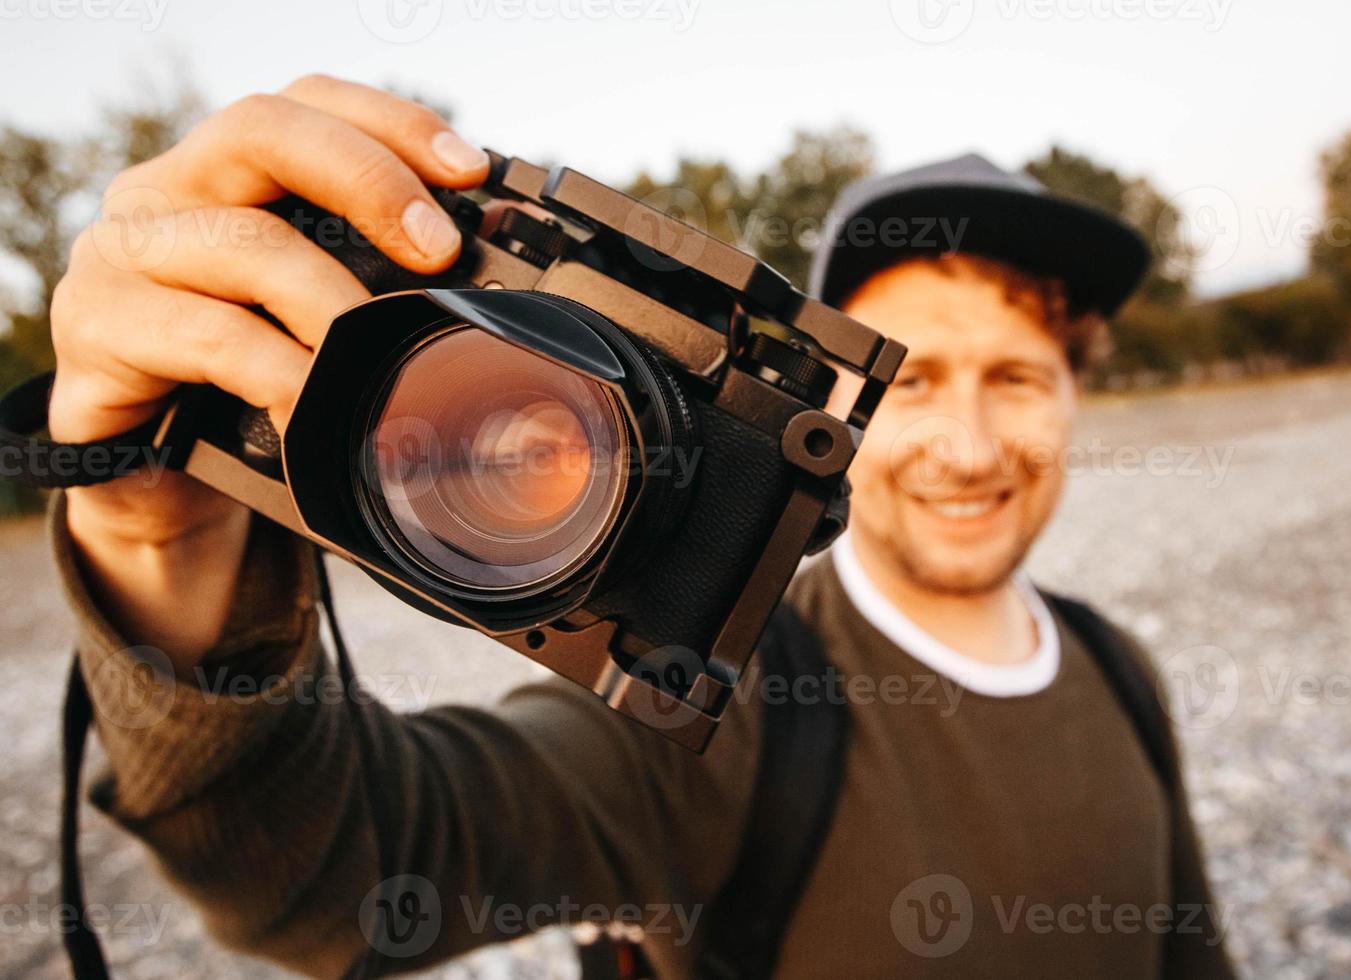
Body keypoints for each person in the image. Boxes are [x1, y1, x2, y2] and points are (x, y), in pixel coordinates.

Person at [49, 75, 1234, 978]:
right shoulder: (727, 712)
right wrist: (158, 542)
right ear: (818, 416)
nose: (970, 445)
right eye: (918, 384)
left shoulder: (1116, 668)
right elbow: (328, 866)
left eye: (1018, 379)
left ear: (1079, 390)